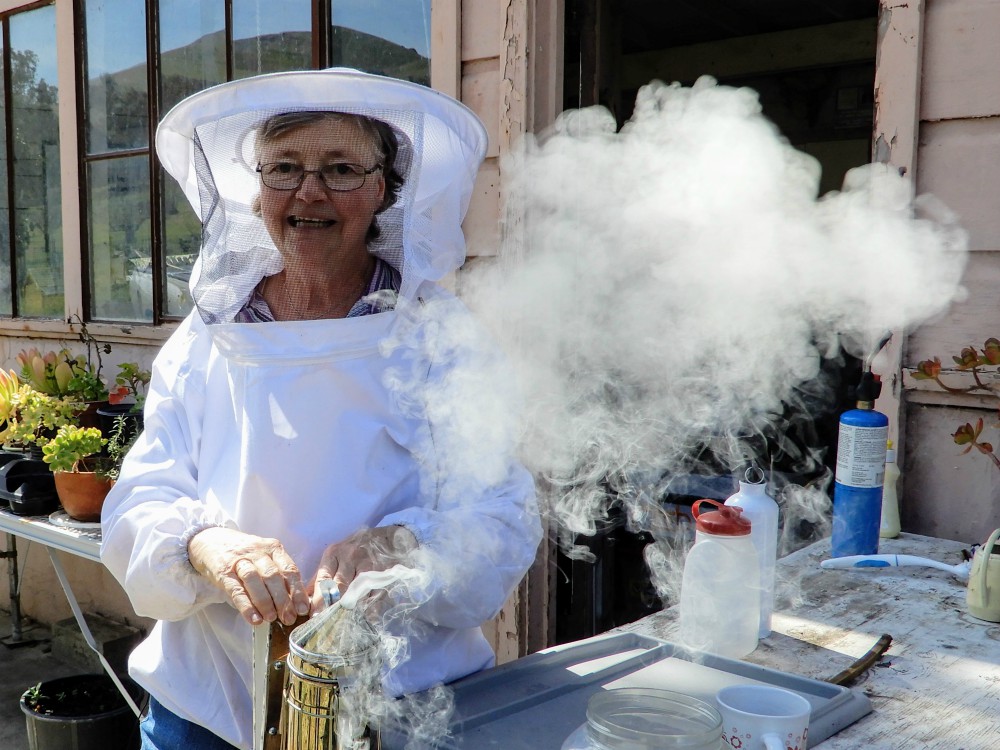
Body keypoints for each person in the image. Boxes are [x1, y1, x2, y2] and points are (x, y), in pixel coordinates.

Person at [100, 68, 542, 750]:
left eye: (339, 169)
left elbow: (502, 519)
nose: (308, 191)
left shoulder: (440, 338)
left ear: (382, 192)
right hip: (208, 705)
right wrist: (203, 545)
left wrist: (404, 548)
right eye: (284, 169)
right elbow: (140, 500)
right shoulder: (208, 335)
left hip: (402, 705)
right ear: (257, 194)